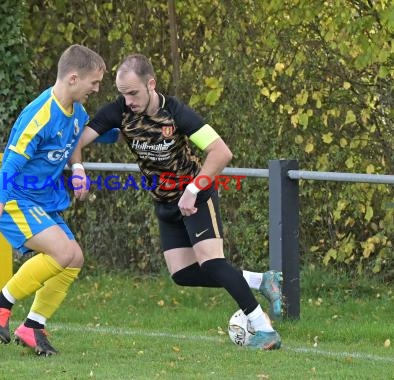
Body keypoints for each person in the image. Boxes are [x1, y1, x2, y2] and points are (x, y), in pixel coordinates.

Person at [70, 54, 282, 350]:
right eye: (123, 94)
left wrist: (194, 189)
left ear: (151, 84)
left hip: (196, 197)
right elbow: (76, 139)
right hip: (165, 204)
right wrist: (78, 169)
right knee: (182, 274)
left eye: (133, 93)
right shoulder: (119, 111)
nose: (128, 100)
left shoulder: (177, 113)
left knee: (213, 263)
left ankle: (264, 328)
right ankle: (261, 281)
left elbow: (221, 152)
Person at [0, 44, 106, 356]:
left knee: (74, 259)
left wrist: (78, 169)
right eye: (94, 83)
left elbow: (74, 140)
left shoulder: (78, 112)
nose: (96, 89)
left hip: (43, 200)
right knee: (61, 252)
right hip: (15, 198)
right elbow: (11, 166)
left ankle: (33, 325)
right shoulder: (40, 115)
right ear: (73, 78)